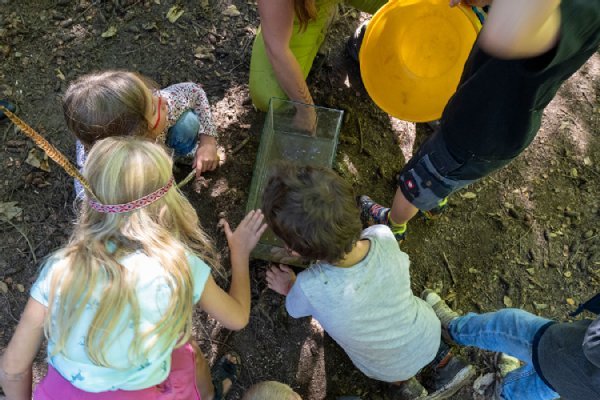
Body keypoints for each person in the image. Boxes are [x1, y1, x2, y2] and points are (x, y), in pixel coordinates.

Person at [0, 137, 267, 400]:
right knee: (184, 352)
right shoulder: (178, 263)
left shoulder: (60, 268)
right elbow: (237, 317)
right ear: (166, 204)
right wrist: (240, 254)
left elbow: (12, 370)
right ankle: (208, 394)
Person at [359, 0, 600, 241]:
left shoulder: (574, 13)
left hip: (477, 131)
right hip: (497, 124)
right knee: (447, 175)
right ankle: (433, 200)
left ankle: (394, 226)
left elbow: (509, 31)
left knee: (414, 183)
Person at [261, 162, 475, 400]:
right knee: (412, 323)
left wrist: (289, 285)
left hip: (385, 368)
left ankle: (404, 384)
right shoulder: (381, 236)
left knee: (390, 365)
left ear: (293, 250)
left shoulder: (309, 286)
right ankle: (445, 363)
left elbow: (293, 308)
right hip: (428, 332)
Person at [62, 70, 220, 197]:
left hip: (154, 145)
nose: (163, 101)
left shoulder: (162, 104)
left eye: (152, 94)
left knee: (187, 124)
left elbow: (194, 90)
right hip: (129, 170)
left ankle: (179, 155)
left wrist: (208, 142)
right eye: (152, 108)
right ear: (135, 136)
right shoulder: (97, 175)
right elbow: (87, 202)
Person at [423, 289, 600, 400]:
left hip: (576, 355)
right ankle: (501, 393)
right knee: (552, 383)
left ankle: (454, 329)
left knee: (511, 325)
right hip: (586, 385)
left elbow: (592, 345)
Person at [249, 0, 387, 129]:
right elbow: (277, 48)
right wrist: (306, 110)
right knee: (269, 94)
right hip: (304, 7)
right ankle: (317, 15)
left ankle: (367, 36)